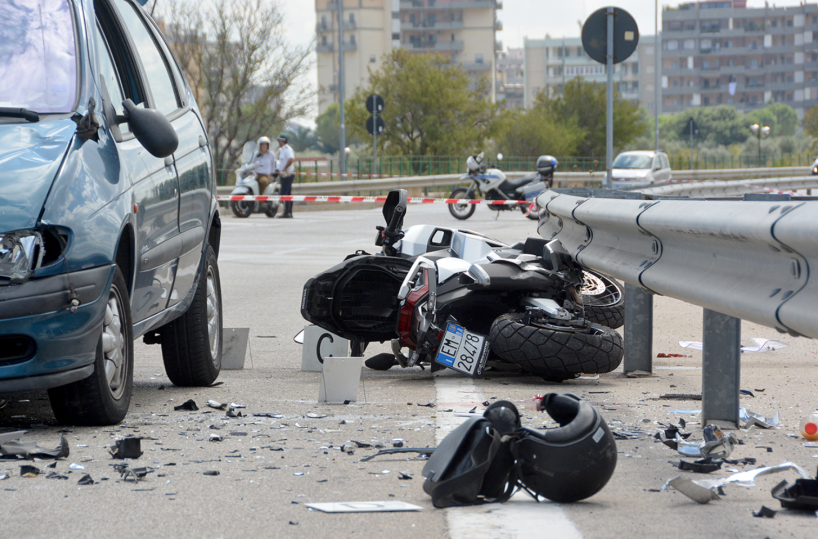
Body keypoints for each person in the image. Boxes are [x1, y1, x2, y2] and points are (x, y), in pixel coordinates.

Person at [275, 133, 296, 218]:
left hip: (288, 175)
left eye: (279, 140)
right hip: (284, 176)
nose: (279, 142)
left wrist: (284, 169)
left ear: (282, 141)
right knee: (287, 194)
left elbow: (291, 159)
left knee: (284, 193)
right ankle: (287, 212)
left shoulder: (287, 149)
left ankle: (287, 212)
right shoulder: (282, 149)